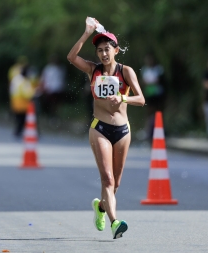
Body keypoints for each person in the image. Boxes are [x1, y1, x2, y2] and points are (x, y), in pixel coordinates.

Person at [67, 18, 145, 239]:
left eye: (107, 49)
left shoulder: (126, 71)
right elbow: (71, 57)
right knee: (107, 180)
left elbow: (140, 99)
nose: (103, 54)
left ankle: (101, 208)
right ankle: (114, 222)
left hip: (122, 131)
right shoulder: (93, 70)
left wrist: (122, 98)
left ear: (116, 50)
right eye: (99, 50)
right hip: (99, 128)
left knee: (116, 183)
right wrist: (86, 33)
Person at [140, 54, 165, 140]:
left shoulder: (158, 69)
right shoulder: (144, 70)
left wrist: (150, 82)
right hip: (149, 94)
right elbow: (143, 82)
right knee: (149, 112)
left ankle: (160, 131)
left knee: (158, 112)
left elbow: (160, 80)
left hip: (158, 94)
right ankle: (149, 132)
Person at [9, 65, 35, 139]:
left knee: (18, 119)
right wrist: (33, 93)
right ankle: (19, 132)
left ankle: (18, 132)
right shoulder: (23, 81)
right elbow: (26, 93)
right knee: (22, 119)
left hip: (14, 101)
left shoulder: (15, 79)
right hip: (22, 103)